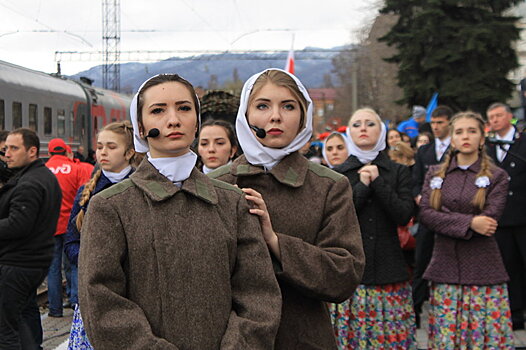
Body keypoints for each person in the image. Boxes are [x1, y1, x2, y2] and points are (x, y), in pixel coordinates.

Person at [78, 74, 282, 349]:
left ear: (197, 122)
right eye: (158, 110)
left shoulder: (232, 202)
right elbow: (100, 300)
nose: (173, 120)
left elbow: (258, 294)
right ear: (140, 127)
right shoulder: (110, 207)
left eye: (184, 108)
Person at [209, 68, 365, 349]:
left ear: (303, 116)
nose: (275, 116)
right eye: (262, 105)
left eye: (288, 106)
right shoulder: (215, 185)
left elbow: (344, 276)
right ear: (245, 115)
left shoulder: (329, 186)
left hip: (303, 338)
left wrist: (276, 242)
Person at [419, 111, 513, 348]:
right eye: (459, 132)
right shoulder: (434, 174)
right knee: (447, 338)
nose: (465, 136)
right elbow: (427, 215)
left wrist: (447, 217)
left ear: (483, 138)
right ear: (452, 138)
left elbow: (490, 220)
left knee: (484, 337)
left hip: (484, 269)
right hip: (444, 267)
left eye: (472, 131)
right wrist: (470, 222)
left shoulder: (498, 176)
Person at [330, 108, 416, 349]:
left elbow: (404, 214)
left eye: (370, 123)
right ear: (349, 132)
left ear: (382, 131)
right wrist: (363, 186)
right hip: (350, 273)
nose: (363, 128)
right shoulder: (337, 175)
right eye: (356, 124)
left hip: (390, 272)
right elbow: (339, 219)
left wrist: (379, 182)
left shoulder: (398, 171)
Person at [64, 120, 136, 349]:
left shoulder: (139, 188)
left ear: (130, 152)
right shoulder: (87, 190)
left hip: (133, 290)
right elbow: (71, 240)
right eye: (99, 146)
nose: (103, 152)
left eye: (111, 146)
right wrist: (90, 262)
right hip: (93, 290)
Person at [0, 128, 62, 350]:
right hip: (32, 261)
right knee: (18, 318)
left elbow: (18, 224)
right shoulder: (42, 176)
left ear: (32, 151)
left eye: (14, 148)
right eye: (6, 148)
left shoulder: (30, 183)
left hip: (18, 263)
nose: (7, 153)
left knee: (5, 330)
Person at [411, 105, 453, 326]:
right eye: (433, 123)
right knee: (421, 263)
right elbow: (415, 180)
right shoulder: (424, 151)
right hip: (428, 216)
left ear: (449, 123)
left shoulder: (456, 149)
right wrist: (418, 196)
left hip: (451, 217)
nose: (436, 127)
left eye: (440, 123)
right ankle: (416, 310)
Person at [486, 102, 526, 330]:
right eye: (491, 117)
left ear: (509, 117)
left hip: (523, 215)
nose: (495, 120)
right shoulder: (489, 147)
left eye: (499, 115)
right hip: (501, 219)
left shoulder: (522, 142)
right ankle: (515, 311)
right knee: (509, 266)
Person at [45, 138, 91, 317]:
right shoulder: (77, 168)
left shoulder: (43, 170)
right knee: (74, 264)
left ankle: (54, 309)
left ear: (49, 153)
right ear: (66, 151)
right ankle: (76, 303)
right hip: (71, 225)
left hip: (50, 226)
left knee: (53, 268)